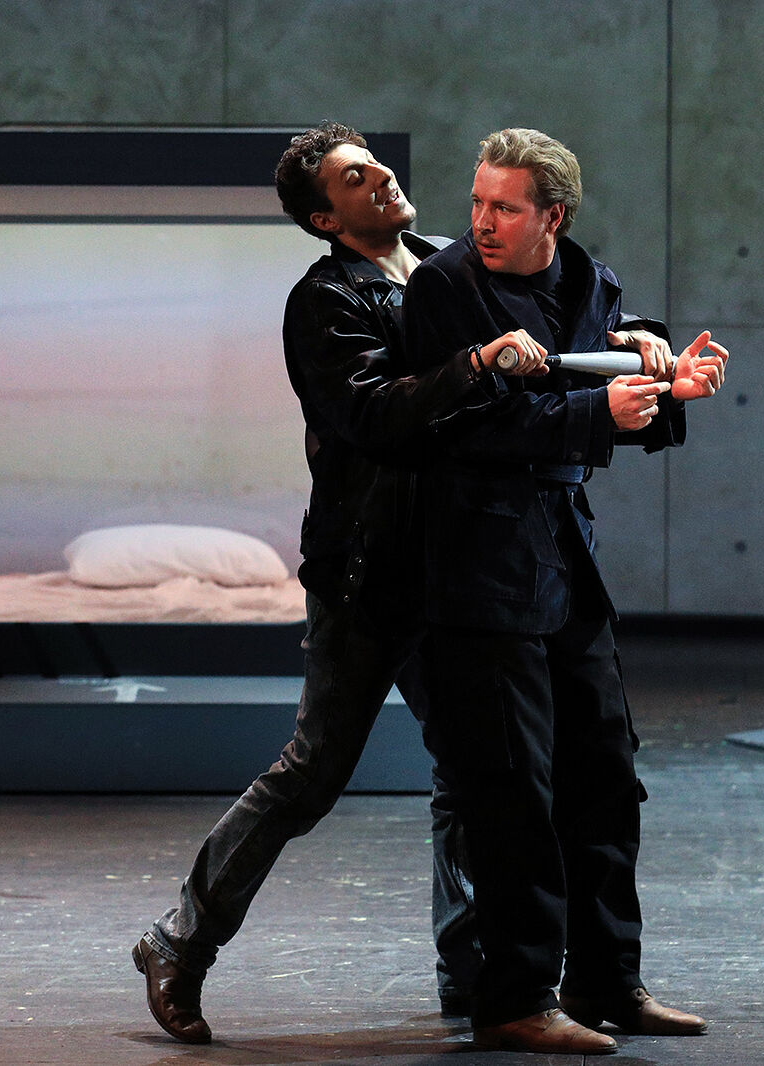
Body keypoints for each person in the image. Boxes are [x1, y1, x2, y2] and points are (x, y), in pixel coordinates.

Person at [131, 122, 556, 1043]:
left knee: (472, 772)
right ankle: (179, 940)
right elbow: (373, 416)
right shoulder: (325, 300)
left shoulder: (448, 262)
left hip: (458, 565)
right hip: (368, 572)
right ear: (326, 218)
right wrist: (477, 362)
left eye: (376, 164)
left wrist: (636, 339)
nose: (381, 178)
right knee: (314, 772)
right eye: (355, 178)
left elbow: (558, 321)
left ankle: (469, 971)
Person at [400, 127, 728, 1054]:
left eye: (504, 207)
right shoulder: (443, 289)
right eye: (477, 202)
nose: (482, 221)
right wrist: (596, 413)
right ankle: (514, 996)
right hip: (478, 565)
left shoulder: (593, 285)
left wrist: (668, 391)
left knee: (606, 775)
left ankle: (608, 980)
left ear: (555, 216)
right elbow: (452, 429)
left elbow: (606, 405)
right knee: (512, 791)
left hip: (563, 558)